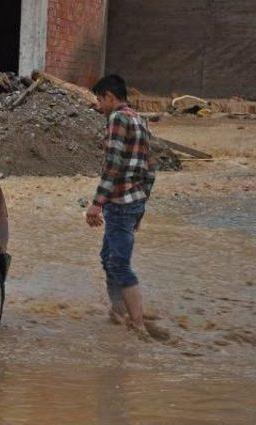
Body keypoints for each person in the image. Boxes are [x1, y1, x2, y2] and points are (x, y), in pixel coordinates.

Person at [85, 74, 156, 336]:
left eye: (99, 100)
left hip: (119, 203)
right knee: (108, 258)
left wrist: (96, 204)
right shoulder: (140, 119)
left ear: (110, 97)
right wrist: (142, 205)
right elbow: (151, 168)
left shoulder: (117, 119)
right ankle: (118, 310)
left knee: (119, 264)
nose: (98, 106)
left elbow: (112, 165)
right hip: (134, 201)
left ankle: (137, 323)